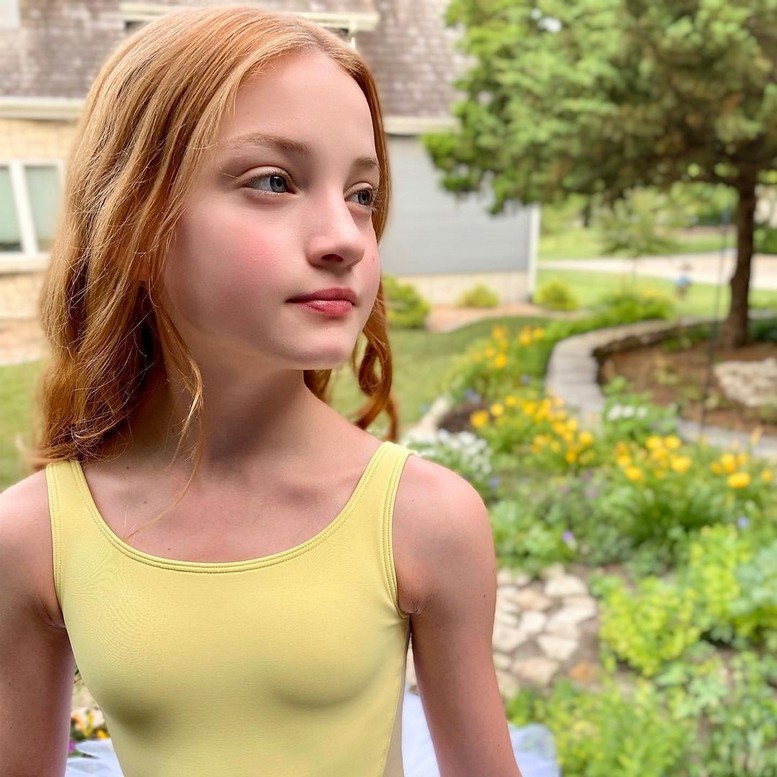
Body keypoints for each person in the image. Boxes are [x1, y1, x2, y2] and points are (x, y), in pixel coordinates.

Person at [0, 7, 525, 776]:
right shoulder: (34, 536)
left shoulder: (425, 519)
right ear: (132, 217)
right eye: (274, 181)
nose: (344, 237)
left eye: (361, 194)